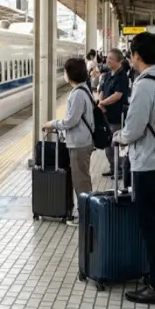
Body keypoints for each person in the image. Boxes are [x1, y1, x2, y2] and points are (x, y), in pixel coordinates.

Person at [115, 32, 155, 305]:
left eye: (131, 53)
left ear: (137, 56)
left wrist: (119, 136)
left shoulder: (144, 86)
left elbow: (134, 129)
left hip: (149, 165)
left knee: (151, 226)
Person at [43, 58, 94, 227]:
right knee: (82, 179)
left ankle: (85, 217)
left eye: (65, 71)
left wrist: (53, 123)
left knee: (81, 181)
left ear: (70, 74)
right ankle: (86, 213)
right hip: (82, 141)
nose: (63, 74)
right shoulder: (83, 89)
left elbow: (71, 121)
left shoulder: (78, 93)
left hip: (79, 143)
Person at [97, 48, 130, 178]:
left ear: (119, 61)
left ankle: (121, 169)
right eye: (108, 58)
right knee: (107, 145)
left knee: (115, 144)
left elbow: (117, 95)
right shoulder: (107, 75)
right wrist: (100, 103)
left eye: (111, 58)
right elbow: (101, 91)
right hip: (105, 116)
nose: (107, 60)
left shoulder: (122, 77)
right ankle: (113, 167)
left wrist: (103, 103)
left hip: (116, 116)